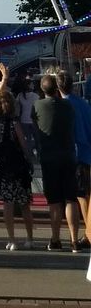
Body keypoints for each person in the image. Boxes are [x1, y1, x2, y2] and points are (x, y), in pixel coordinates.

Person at [32, 73, 79, 251]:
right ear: (57, 89)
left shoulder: (37, 105)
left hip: (49, 156)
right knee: (70, 198)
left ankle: (55, 238)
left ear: (42, 89)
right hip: (68, 153)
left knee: (54, 201)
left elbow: (36, 128)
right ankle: (74, 240)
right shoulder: (67, 106)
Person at [0, 91, 34, 251]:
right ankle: (29, 237)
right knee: (24, 204)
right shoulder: (14, 122)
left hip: (3, 167)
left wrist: (4, 79)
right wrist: (29, 159)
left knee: (7, 205)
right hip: (18, 167)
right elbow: (23, 143)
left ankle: (12, 239)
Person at [57, 69, 91, 246]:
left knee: (80, 196)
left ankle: (88, 233)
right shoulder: (84, 103)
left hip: (76, 153)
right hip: (87, 151)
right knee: (85, 195)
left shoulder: (64, 105)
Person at [16, 77, 40, 162]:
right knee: (37, 138)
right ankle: (39, 154)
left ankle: (29, 155)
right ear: (29, 85)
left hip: (23, 119)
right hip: (33, 120)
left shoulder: (20, 95)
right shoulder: (35, 96)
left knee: (27, 139)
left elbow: (17, 106)